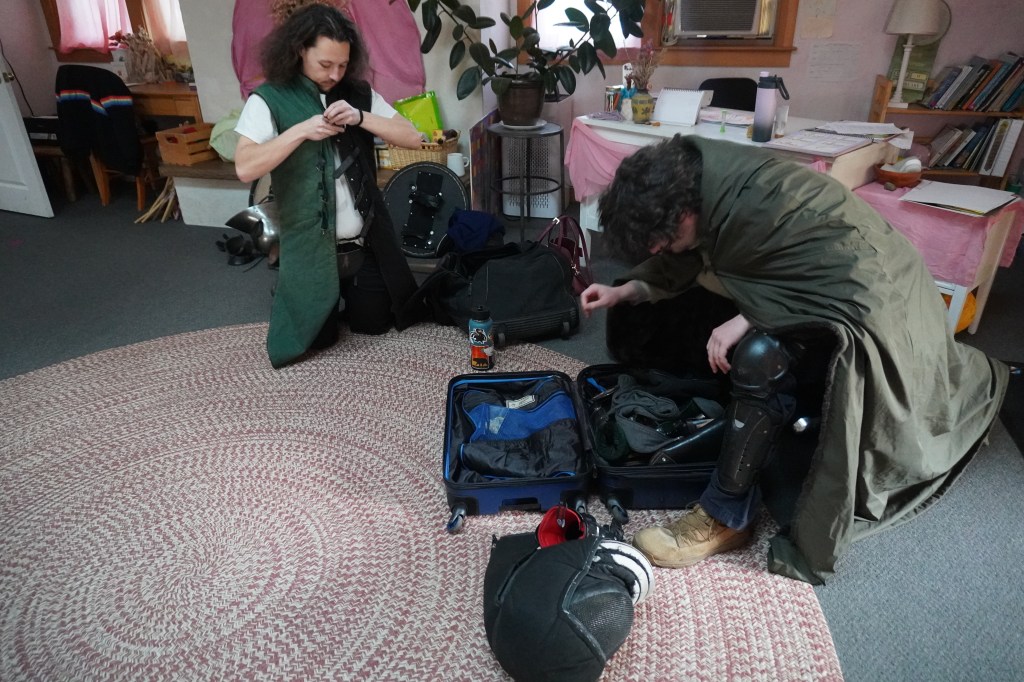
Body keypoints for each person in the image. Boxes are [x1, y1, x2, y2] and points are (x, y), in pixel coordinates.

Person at [581, 134, 1008, 584]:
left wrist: (746, 318)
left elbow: (828, 278)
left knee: (758, 356)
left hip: (873, 296)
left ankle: (725, 516)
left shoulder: (759, 204)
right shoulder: (699, 184)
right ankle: (739, 418)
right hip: (809, 282)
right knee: (655, 311)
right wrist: (625, 289)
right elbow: (709, 258)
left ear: (685, 209)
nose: (658, 248)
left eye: (665, 236)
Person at [234, 3, 425, 368]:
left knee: (374, 325)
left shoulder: (357, 93)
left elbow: (413, 138)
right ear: (299, 51)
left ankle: (348, 292)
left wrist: (361, 117)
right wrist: (299, 131)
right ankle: (296, 290)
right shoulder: (269, 98)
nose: (335, 74)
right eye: (325, 64)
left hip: (364, 242)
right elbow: (245, 167)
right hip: (309, 247)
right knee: (316, 341)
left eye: (342, 64)